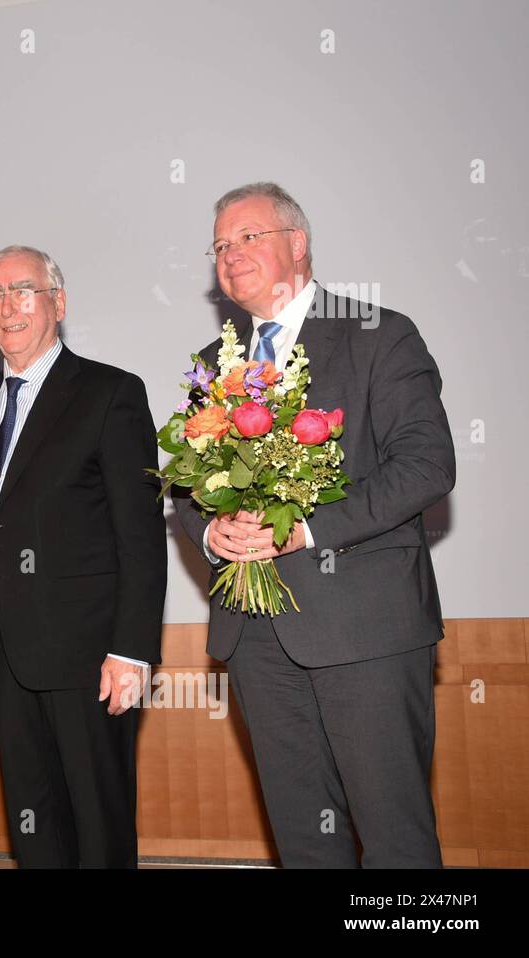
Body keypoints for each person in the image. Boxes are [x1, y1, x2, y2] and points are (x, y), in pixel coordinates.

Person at [174, 182, 456, 868]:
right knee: (305, 841)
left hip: (366, 632)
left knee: (394, 839)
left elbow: (426, 467)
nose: (230, 254)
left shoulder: (380, 334)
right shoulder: (215, 366)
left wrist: (303, 527)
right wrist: (213, 535)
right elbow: (185, 491)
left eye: (248, 237)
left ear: (297, 244)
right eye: (219, 245)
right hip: (257, 639)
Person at [0, 245, 166, 868]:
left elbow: (140, 534)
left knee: (97, 820)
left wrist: (131, 650)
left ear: (58, 303)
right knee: (33, 819)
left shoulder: (111, 393)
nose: (8, 306)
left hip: (89, 657)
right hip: (4, 656)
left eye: (23, 289)